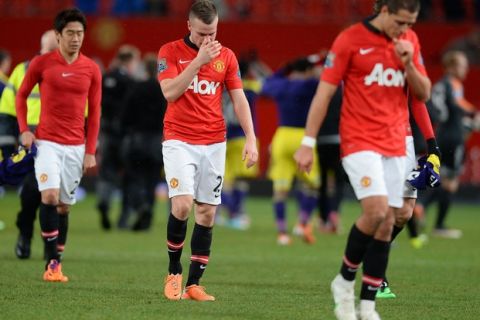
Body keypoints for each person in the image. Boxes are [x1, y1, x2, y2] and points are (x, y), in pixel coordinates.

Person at [294, 1, 431, 319]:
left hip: (397, 142)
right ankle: (343, 282)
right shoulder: (350, 39)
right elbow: (324, 94)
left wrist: (409, 64)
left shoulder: (409, 41)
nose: (405, 29)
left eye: (411, 23)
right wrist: (307, 142)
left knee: (389, 222)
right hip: (359, 140)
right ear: (383, 11)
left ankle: (367, 305)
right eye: (400, 22)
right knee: (377, 210)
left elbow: (422, 94)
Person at [158, 0, 258, 302]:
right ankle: (174, 271)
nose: (208, 40)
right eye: (202, 33)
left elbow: (239, 99)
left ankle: (194, 285)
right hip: (178, 140)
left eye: (212, 33)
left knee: (207, 211)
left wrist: (252, 138)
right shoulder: (169, 52)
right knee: (183, 206)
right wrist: (199, 61)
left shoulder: (226, 56)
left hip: (214, 142)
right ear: (189, 26)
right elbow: (170, 92)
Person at [16, 8, 101, 282]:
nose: (76, 38)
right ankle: (52, 264)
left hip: (75, 147)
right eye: (70, 33)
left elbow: (96, 111)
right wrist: (24, 131)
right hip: (46, 143)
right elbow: (21, 96)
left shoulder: (91, 68)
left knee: (63, 206)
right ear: (58, 34)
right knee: (49, 197)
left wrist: (90, 151)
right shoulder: (41, 63)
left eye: (80, 33)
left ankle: (56, 257)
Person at [0, 30, 59, 259]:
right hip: (31, 142)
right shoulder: (23, 70)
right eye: (51, 49)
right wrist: (7, 147)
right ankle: (27, 236)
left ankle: (53, 249)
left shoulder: (73, 69)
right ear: (41, 48)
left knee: (57, 198)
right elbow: (6, 110)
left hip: (62, 141)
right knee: (33, 194)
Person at [415, 50, 478, 239]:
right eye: (461, 65)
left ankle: (421, 208)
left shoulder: (440, 85)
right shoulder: (452, 85)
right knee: (451, 183)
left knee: (441, 178)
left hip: (442, 135)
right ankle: (438, 223)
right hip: (453, 136)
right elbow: (455, 106)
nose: (465, 69)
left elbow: (438, 110)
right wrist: (472, 115)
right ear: (451, 67)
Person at [262, 56, 320, 245]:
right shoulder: (310, 84)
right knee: (311, 184)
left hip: (282, 136)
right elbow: (328, 80)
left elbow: (267, 83)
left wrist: (284, 67)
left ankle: (282, 234)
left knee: (280, 189)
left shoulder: (281, 84)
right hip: (303, 136)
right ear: (307, 71)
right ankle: (302, 223)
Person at [119, 53, 166, 231]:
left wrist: (125, 130)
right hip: (156, 142)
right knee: (152, 181)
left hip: (136, 140)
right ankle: (147, 217)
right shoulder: (164, 90)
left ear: (144, 69)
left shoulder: (136, 88)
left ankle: (139, 207)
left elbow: (124, 114)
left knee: (133, 178)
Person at [96, 44, 140, 230]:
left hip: (106, 133)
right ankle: (123, 218)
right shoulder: (130, 82)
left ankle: (104, 202)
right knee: (129, 176)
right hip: (125, 136)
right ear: (129, 61)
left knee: (107, 173)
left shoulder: (105, 77)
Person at [217, 59, 261, 230]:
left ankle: (222, 213)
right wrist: (255, 67)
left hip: (222, 136)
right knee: (240, 179)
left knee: (224, 179)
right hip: (242, 137)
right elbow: (268, 79)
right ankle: (237, 214)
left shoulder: (220, 86)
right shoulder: (249, 88)